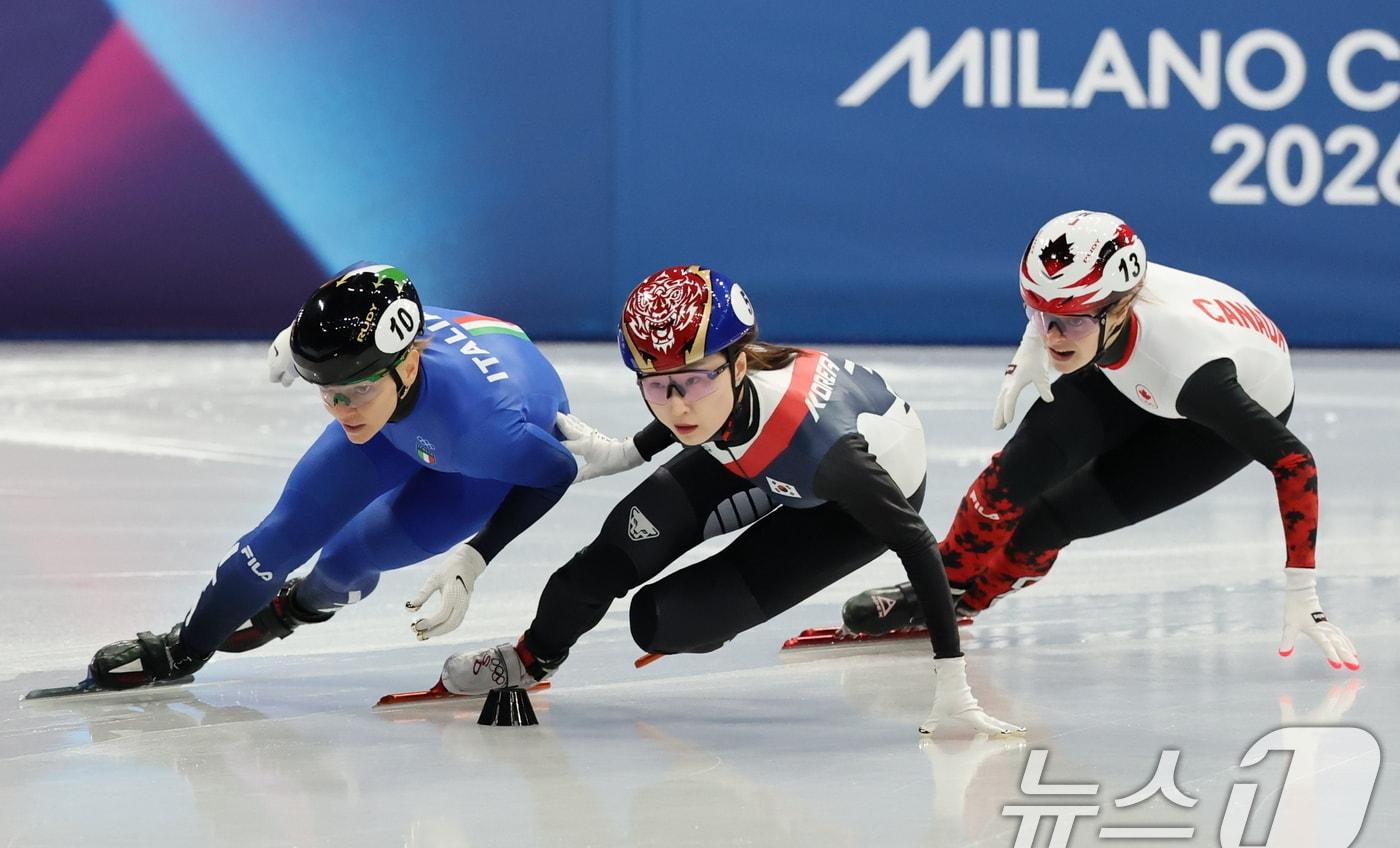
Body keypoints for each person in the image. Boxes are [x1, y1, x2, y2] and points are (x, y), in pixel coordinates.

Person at [429, 265, 1024, 737]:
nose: (677, 406)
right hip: (754, 455)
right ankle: (531, 659)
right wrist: (632, 451)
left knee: (663, 621)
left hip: (846, 506)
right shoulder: (714, 389)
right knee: (605, 557)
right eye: (655, 386)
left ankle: (716, 617)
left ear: (739, 364)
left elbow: (916, 540)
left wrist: (953, 686)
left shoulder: (826, 450)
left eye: (693, 381)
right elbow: (687, 397)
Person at [841, 211, 1359, 672]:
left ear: (1121, 305)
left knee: (1050, 521)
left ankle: (969, 604)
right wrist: (1034, 348)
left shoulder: (1190, 369)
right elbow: (1057, 311)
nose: (1050, 337)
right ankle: (943, 585)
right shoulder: (1092, 314)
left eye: (1067, 321)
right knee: (1007, 481)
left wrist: (1301, 589)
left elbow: (1295, 461)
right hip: (1124, 363)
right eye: (1037, 315)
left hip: (1212, 418)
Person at [87, 263, 578, 688]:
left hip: (484, 441)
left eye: (355, 392)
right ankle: (182, 650)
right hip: (429, 386)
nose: (342, 410)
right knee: (282, 535)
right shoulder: (368, 371)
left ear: (408, 364)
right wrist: (303, 338)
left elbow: (558, 472)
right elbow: (366, 276)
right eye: (326, 390)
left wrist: (476, 556)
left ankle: (299, 606)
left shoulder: (483, 433)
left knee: (347, 561)